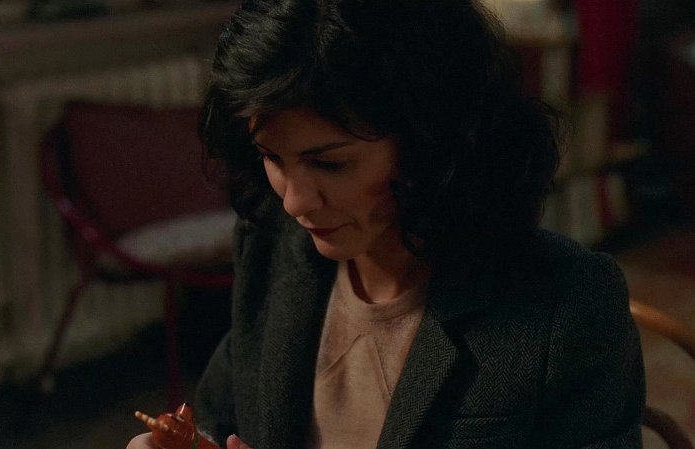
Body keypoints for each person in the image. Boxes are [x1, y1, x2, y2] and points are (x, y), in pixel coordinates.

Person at [128, 0, 645, 448]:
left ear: (432, 141)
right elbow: (220, 417)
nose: (294, 202)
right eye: (272, 157)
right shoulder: (271, 245)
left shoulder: (565, 305)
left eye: (330, 163)